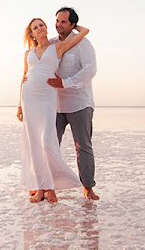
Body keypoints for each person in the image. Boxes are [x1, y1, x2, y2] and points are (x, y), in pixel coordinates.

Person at [17, 17, 90, 203]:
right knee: (34, 143)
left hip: (47, 97)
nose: (39, 28)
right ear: (32, 34)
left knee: (47, 142)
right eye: (35, 27)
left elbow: (84, 33)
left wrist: (76, 25)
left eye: (41, 25)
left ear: (46, 28)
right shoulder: (28, 54)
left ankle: (52, 188)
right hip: (29, 98)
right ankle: (42, 188)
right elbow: (24, 76)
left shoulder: (57, 47)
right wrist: (19, 104)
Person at [48, 7, 99, 201]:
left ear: (72, 25)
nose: (58, 25)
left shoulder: (83, 44)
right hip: (55, 105)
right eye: (57, 21)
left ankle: (88, 186)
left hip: (80, 104)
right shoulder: (52, 44)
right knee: (50, 146)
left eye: (63, 22)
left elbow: (90, 70)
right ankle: (47, 185)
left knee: (83, 146)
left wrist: (65, 83)